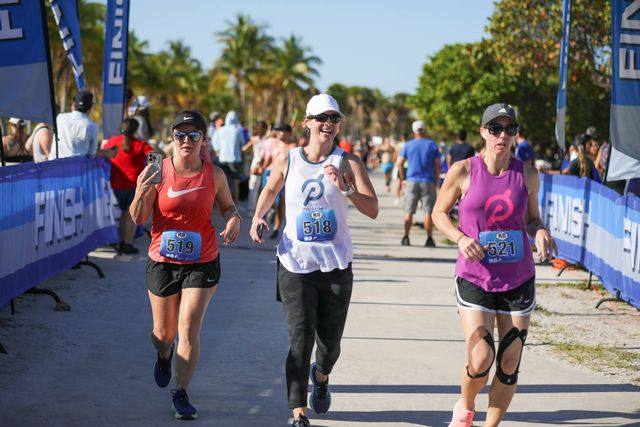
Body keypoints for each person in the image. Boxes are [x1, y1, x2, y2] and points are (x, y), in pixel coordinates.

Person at [249, 94, 378, 427]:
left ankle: (321, 376)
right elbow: (270, 190)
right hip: (295, 264)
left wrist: (346, 189)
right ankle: (297, 413)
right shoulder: (289, 160)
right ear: (307, 123)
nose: (328, 124)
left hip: (336, 265)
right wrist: (258, 216)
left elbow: (372, 209)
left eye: (334, 118)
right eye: (321, 117)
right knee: (300, 339)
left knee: (330, 345)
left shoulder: (349, 163)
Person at [432, 103, 557, 427]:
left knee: (511, 359)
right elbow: (438, 214)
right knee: (482, 357)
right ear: (483, 132)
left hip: (517, 277)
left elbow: (531, 219)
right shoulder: (463, 170)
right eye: (495, 128)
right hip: (475, 277)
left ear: (516, 134)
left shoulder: (527, 173)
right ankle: (467, 405)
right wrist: (460, 239)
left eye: (509, 129)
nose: (503, 135)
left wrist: (540, 231)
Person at [129, 110, 241, 420]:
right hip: (163, 261)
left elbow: (229, 207)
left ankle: (180, 392)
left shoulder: (215, 175)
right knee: (163, 334)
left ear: (205, 140)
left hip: (202, 261)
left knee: (188, 328)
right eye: (181, 135)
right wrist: (140, 190)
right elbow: (138, 219)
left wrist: (234, 219)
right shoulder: (158, 171)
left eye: (194, 135)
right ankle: (164, 354)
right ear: (173, 138)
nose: (187, 141)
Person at [103, 118, 155, 254]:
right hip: (133, 186)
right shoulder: (140, 144)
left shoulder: (113, 141)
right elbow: (155, 157)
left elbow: (103, 153)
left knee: (120, 215)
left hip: (115, 184)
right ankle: (127, 243)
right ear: (136, 129)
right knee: (130, 216)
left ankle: (119, 241)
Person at [396, 120, 440, 247]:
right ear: (424, 130)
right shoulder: (432, 145)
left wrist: (403, 178)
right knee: (428, 211)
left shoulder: (408, 145)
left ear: (414, 131)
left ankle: (406, 237)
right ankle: (429, 238)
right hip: (428, 181)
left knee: (409, 210)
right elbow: (437, 166)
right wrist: (436, 182)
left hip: (411, 181)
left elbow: (399, 163)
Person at [50, 90, 117, 160]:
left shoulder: (60, 118)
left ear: (74, 105)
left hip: (54, 166)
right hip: (75, 168)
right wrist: (107, 153)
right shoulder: (92, 126)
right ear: (90, 108)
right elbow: (91, 154)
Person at [212, 111, 244, 202]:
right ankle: (235, 201)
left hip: (222, 159)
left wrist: (219, 151)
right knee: (235, 182)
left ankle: (219, 201)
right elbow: (242, 144)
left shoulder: (220, 130)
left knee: (221, 182)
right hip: (235, 159)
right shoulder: (237, 131)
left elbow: (215, 143)